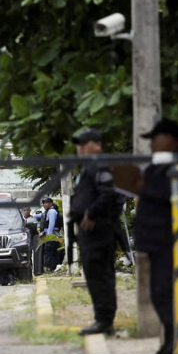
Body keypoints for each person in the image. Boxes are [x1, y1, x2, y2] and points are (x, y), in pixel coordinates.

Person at [133, 120, 178, 354]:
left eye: (156, 138)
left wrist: (144, 189)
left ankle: (175, 346)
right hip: (155, 240)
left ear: (171, 139)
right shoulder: (159, 164)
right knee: (162, 294)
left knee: (166, 293)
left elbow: (177, 195)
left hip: (170, 241)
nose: (152, 143)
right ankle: (170, 344)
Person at [70, 128, 119, 336]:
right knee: (94, 275)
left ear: (97, 145)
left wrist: (91, 213)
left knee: (100, 276)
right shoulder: (89, 167)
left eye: (85, 143)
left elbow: (109, 193)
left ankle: (104, 320)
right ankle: (102, 319)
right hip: (89, 233)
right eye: (78, 144)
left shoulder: (100, 164)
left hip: (99, 231)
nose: (80, 148)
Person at [39, 197, 63, 273]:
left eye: (46, 203)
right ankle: (52, 268)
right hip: (52, 234)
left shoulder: (51, 211)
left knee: (49, 251)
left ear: (51, 203)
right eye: (44, 203)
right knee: (51, 251)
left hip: (52, 234)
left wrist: (49, 235)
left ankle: (50, 268)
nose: (44, 204)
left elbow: (51, 224)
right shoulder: (48, 211)